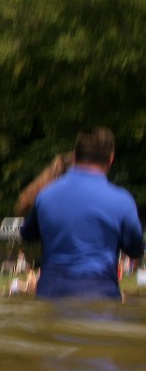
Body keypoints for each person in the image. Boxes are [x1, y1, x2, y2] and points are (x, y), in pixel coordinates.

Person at [20, 127, 144, 300]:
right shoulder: (123, 200)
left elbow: (27, 235)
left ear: (75, 156)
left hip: (51, 296)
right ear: (111, 159)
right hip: (101, 297)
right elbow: (135, 250)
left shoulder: (44, 196)